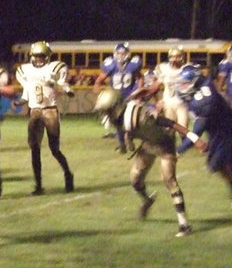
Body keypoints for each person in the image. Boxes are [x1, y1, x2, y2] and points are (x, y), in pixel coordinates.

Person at [93, 88, 193, 236]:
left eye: (107, 110)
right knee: (135, 179)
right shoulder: (119, 117)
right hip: (148, 143)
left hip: (164, 143)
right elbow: (125, 128)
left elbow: (167, 122)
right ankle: (147, 200)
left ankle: (184, 224)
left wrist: (192, 137)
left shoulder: (141, 115)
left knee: (169, 180)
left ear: (115, 107)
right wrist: (126, 140)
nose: (105, 114)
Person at [15, 41, 75, 195]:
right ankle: (38, 185)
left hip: (50, 111)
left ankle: (68, 174)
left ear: (47, 57)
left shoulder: (54, 69)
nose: (39, 59)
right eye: (36, 56)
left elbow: (65, 86)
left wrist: (67, 90)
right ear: (32, 57)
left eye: (42, 56)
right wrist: (18, 102)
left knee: (54, 149)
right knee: (34, 149)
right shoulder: (25, 72)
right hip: (35, 111)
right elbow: (26, 96)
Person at [160, 65, 232, 194]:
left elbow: (197, 131)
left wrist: (180, 150)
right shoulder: (202, 85)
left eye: (185, 83)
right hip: (218, 131)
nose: (182, 86)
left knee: (218, 163)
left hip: (225, 132)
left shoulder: (205, 101)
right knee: (219, 165)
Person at [92, 42, 143, 153]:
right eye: (118, 53)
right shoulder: (111, 66)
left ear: (127, 54)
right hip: (116, 98)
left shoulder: (133, 65)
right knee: (118, 122)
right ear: (115, 54)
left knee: (131, 121)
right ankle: (122, 145)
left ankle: (129, 137)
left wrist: (138, 92)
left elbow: (140, 78)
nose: (120, 55)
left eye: (122, 53)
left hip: (130, 96)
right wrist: (100, 91)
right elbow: (99, 80)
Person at [134, 46, 190, 142]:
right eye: (172, 57)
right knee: (168, 130)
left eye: (177, 56)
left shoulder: (187, 69)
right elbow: (156, 86)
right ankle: (170, 148)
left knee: (183, 129)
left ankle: (184, 148)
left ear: (182, 57)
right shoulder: (164, 68)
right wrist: (145, 93)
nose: (175, 59)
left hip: (182, 103)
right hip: (168, 103)